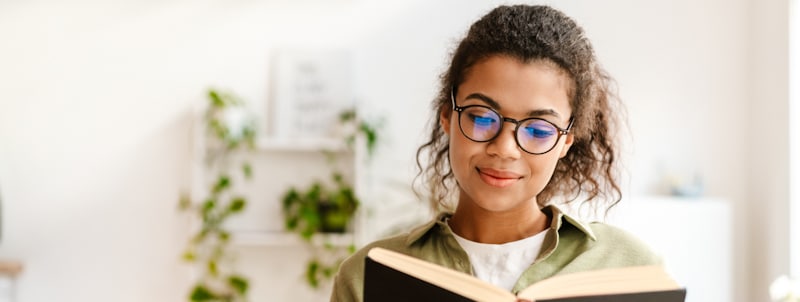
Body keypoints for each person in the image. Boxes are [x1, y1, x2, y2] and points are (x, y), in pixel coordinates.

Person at [330, 4, 660, 301]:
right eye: (482, 117)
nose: (504, 149)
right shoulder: (368, 276)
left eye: (537, 130)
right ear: (447, 116)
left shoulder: (630, 269)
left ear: (566, 141)